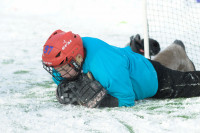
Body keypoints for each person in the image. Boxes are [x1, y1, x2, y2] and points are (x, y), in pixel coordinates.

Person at [42, 29, 200, 108]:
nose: (58, 73)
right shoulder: (67, 60)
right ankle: (144, 49)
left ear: (77, 58)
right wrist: (65, 89)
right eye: (56, 68)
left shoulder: (106, 69)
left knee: (191, 85)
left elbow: (127, 100)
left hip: (151, 78)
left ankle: (177, 50)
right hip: (125, 61)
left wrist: (103, 101)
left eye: (63, 68)